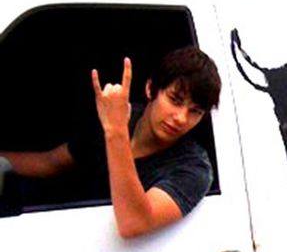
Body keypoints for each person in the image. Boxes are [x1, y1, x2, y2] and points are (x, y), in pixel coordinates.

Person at [0, 46, 221, 238]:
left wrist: (116, 132)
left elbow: (133, 223)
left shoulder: (193, 168)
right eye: (175, 100)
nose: (181, 118)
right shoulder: (119, 116)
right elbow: (50, 163)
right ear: (151, 89)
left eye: (195, 111)